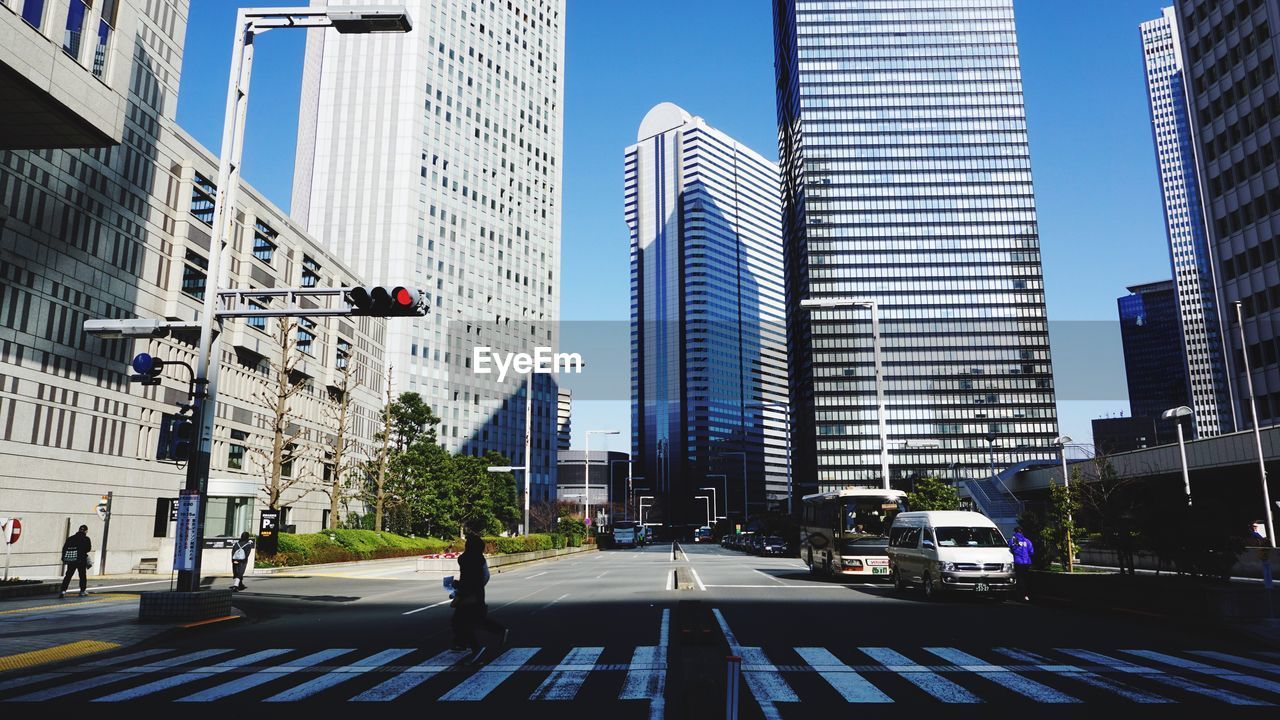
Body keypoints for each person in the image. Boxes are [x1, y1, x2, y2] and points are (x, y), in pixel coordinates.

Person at [450, 534, 508, 656]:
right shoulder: (480, 559)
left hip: (468, 595)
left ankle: (473, 647)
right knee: (475, 620)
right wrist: (478, 587)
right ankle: (498, 631)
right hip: (477, 593)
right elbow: (484, 576)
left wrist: (458, 587)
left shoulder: (464, 559)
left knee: (462, 621)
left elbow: (467, 579)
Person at [59, 525, 92, 598]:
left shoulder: (70, 538)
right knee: (82, 575)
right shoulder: (86, 539)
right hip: (81, 560)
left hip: (72, 559)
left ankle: (63, 590)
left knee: (68, 575)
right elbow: (88, 549)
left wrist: (63, 558)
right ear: (86, 531)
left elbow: (64, 548)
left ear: (79, 530)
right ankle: (82, 591)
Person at [1008, 525, 1034, 602]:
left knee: (1019, 579)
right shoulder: (1027, 541)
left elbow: (1009, 549)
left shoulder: (1013, 540)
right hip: (1027, 563)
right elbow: (1031, 552)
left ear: (1015, 532)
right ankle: (1026, 595)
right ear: (1022, 532)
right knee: (1026, 579)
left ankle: (1020, 595)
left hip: (1018, 562)